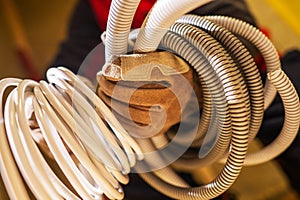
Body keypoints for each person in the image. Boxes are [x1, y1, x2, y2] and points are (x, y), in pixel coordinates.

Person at [50, 0, 300, 199]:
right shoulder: (91, 8)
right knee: (114, 174)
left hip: (243, 86)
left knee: (295, 90)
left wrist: (193, 85)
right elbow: (72, 66)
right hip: (154, 122)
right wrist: (48, 114)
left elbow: (237, 30)